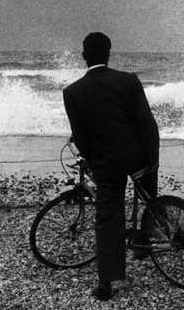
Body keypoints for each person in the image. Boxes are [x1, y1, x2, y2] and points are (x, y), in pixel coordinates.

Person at [63, 32, 160, 301]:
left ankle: (106, 283)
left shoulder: (72, 92)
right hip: (137, 156)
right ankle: (144, 241)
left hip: (106, 164)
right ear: (108, 53)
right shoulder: (128, 81)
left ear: (84, 56)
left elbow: (80, 137)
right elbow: (146, 123)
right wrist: (153, 158)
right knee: (150, 197)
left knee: (107, 218)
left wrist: (94, 163)